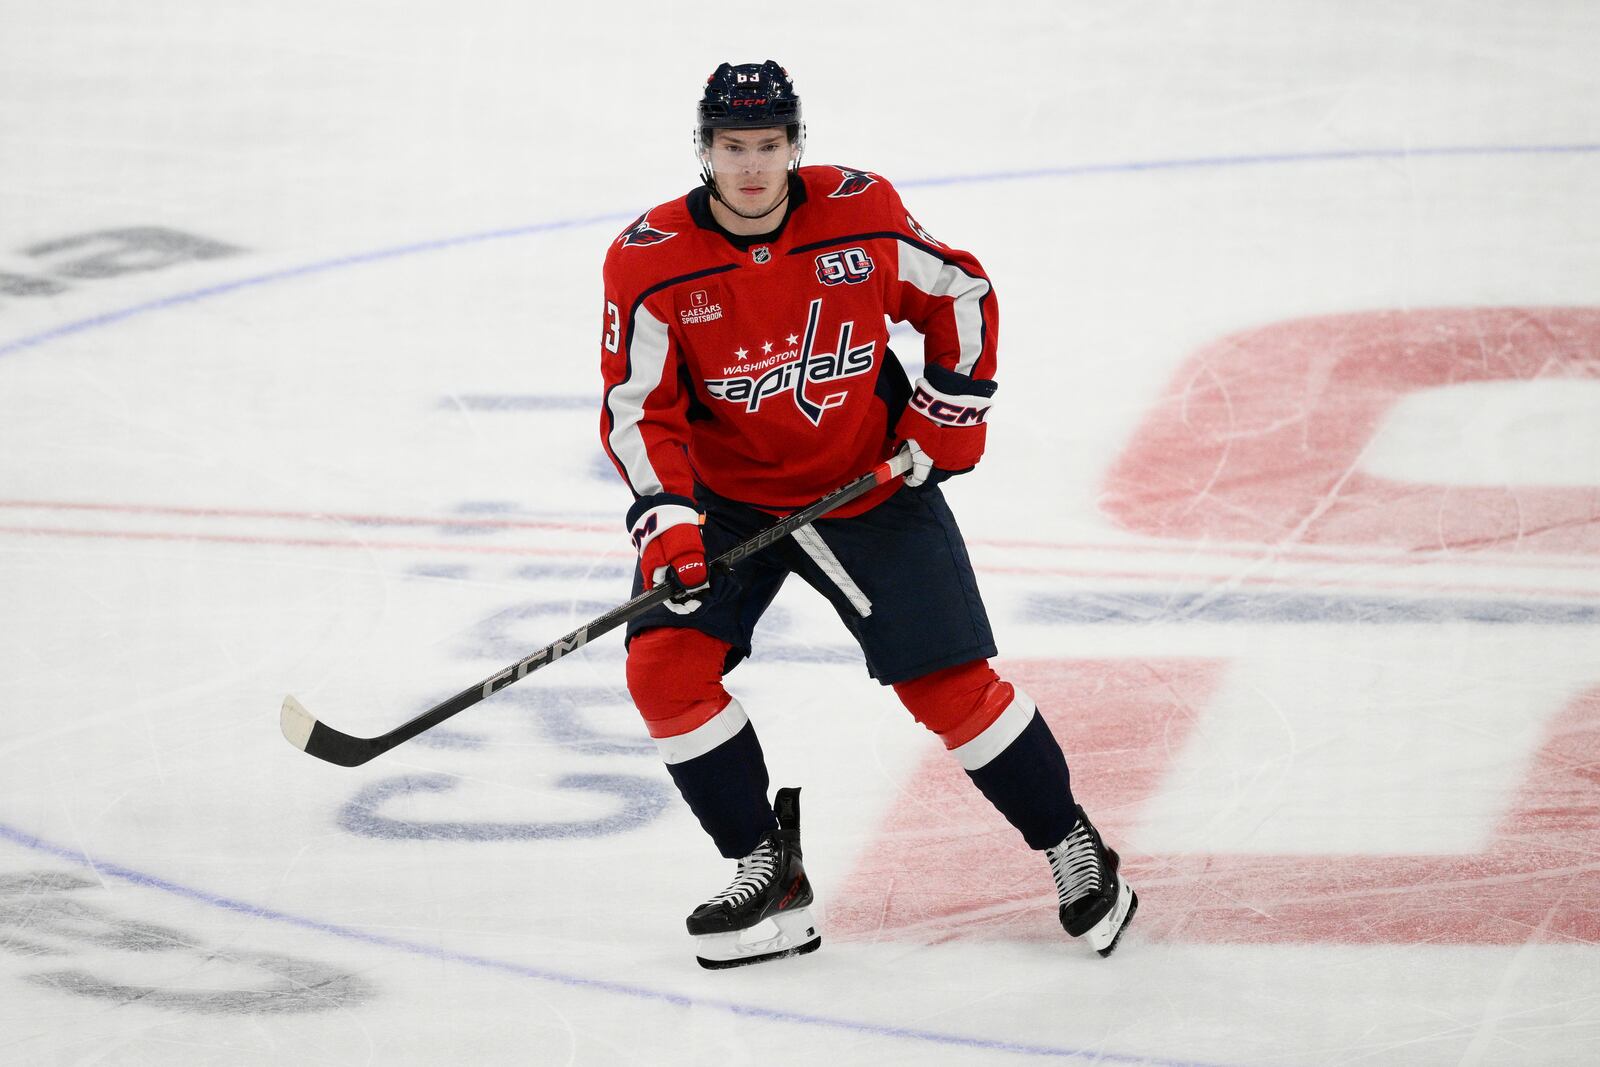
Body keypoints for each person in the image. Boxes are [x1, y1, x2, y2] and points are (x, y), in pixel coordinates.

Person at [598, 60, 1136, 969]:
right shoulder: (649, 260)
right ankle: (768, 872)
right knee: (664, 670)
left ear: (794, 145)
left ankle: (1073, 846)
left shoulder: (862, 214)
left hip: (869, 487)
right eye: (735, 148)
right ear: (706, 151)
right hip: (727, 503)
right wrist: (671, 522)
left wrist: (945, 418)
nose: (754, 167)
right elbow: (635, 405)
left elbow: (961, 295)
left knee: (951, 688)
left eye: (769, 146)